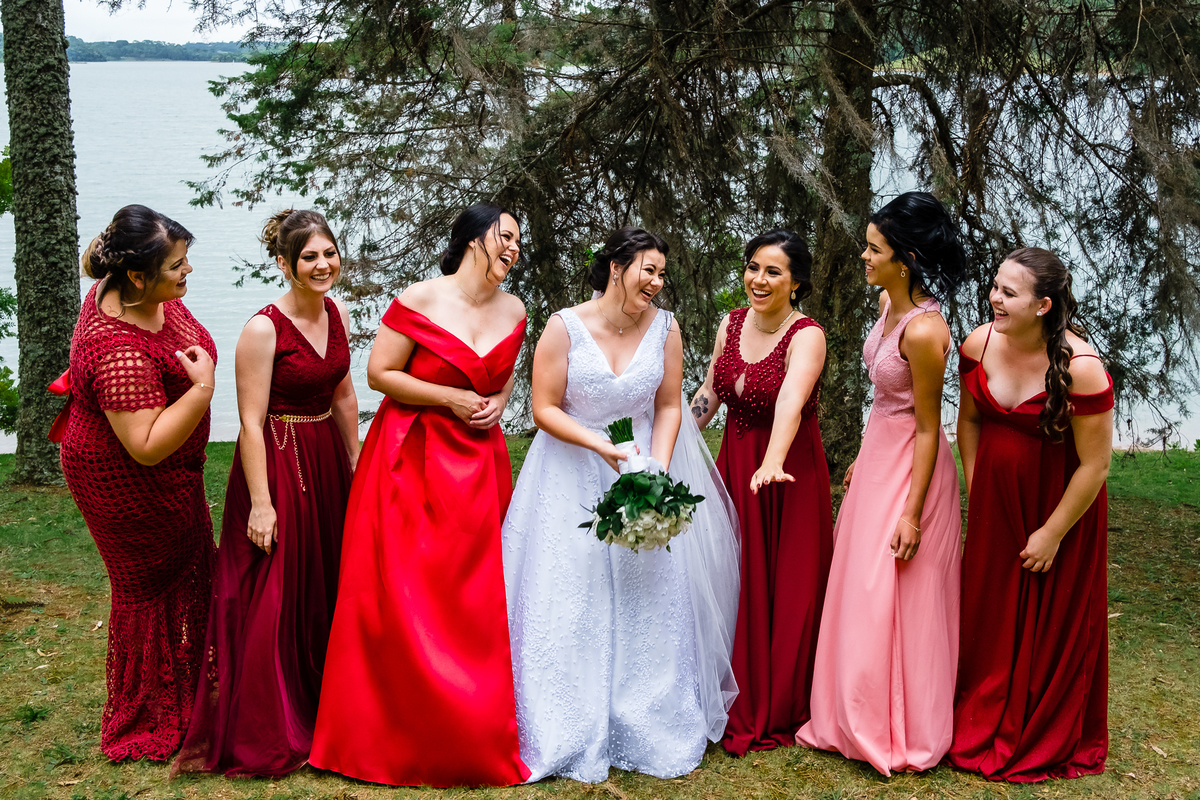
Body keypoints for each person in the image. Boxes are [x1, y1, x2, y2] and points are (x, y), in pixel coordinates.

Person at [502, 227, 741, 783]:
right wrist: (602, 447)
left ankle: (645, 717)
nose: (656, 283)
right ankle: (566, 723)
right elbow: (543, 408)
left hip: (637, 465)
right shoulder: (564, 327)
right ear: (616, 266)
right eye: (647, 271)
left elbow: (667, 405)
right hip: (568, 470)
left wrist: (654, 471)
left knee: (647, 593)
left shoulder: (666, 328)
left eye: (662, 274)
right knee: (571, 592)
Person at [309, 203, 528, 786]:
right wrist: (450, 399)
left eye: (517, 241)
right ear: (472, 240)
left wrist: (500, 402)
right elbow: (381, 373)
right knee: (405, 593)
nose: (512, 248)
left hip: (479, 462)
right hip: (411, 454)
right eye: (504, 236)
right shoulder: (420, 298)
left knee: (473, 594)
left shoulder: (516, 309)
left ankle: (473, 726)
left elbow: (505, 373)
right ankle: (390, 732)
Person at [174, 210, 359, 777]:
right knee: (278, 587)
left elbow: (346, 395)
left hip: (326, 453)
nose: (323, 265)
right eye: (309, 257)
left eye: (329, 253)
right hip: (278, 461)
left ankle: (329, 703)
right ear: (285, 263)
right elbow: (249, 422)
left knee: (326, 578)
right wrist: (261, 501)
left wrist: (356, 463)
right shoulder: (262, 329)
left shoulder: (338, 312)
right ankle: (272, 716)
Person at [796, 192, 965, 775]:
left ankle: (901, 725)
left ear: (906, 258)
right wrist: (863, 458)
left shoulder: (923, 331)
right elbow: (884, 404)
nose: (864, 257)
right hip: (878, 456)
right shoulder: (887, 309)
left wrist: (913, 512)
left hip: (913, 466)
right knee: (857, 582)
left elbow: (927, 425)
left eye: (875, 249)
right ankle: (848, 714)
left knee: (893, 587)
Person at [947, 248, 1112, 781]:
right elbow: (968, 420)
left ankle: (1038, 722)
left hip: (1057, 510)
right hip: (996, 501)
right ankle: (980, 710)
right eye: (994, 286)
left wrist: (1052, 533)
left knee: (1047, 616)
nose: (994, 298)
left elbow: (1094, 465)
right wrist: (977, 483)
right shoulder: (978, 343)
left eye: (1008, 292)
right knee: (989, 610)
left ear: (1043, 305)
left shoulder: (1083, 370)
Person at [58, 205, 217, 760]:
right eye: (178, 264)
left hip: (180, 474)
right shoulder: (118, 348)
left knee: (194, 566)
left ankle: (190, 688)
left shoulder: (145, 294)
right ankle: (148, 711)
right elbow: (146, 446)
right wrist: (200, 392)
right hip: (125, 484)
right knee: (151, 591)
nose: (188, 271)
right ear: (136, 275)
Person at [689, 229, 832, 755]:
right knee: (733, 577)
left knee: (783, 584)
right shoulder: (730, 322)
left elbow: (792, 403)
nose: (758, 279)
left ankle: (777, 699)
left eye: (773, 271)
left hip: (786, 474)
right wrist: (675, 437)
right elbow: (710, 392)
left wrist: (771, 463)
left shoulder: (807, 335)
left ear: (796, 283)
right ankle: (728, 685)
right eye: (753, 267)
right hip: (735, 468)